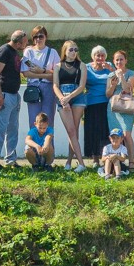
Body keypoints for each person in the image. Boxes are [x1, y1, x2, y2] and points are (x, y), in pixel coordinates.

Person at [0, 30, 27, 167]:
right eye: (25, 42)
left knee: (12, 129)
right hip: (4, 94)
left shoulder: (14, 52)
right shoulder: (4, 51)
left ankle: (10, 159)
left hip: (14, 95)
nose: (26, 44)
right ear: (18, 42)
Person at [54, 40, 87, 172]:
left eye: (76, 49)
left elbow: (82, 86)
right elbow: (55, 85)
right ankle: (79, 163)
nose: (74, 52)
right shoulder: (58, 66)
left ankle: (74, 162)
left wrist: (69, 97)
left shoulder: (81, 65)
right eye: (71, 50)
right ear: (65, 51)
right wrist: (63, 98)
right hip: (63, 96)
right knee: (71, 130)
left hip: (77, 96)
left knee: (74, 130)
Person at [21, 26, 58, 135]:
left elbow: (57, 74)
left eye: (41, 36)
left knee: (49, 119)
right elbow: (26, 73)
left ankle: (48, 149)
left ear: (45, 37)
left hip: (49, 88)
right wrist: (46, 74)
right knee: (33, 120)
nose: (38, 39)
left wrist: (41, 71)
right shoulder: (28, 52)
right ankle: (34, 148)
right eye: (35, 37)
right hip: (33, 88)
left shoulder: (52, 52)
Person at [107, 50, 134, 170]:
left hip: (127, 107)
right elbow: (108, 94)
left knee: (126, 134)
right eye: (117, 60)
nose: (119, 62)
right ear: (114, 62)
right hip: (113, 108)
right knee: (115, 135)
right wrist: (113, 86)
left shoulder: (131, 73)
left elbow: (128, 89)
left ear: (126, 60)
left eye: (121, 59)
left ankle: (131, 161)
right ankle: (116, 162)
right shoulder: (110, 75)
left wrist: (121, 76)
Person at [83, 46, 113, 166]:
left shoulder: (109, 66)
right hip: (91, 103)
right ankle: (95, 158)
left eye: (102, 55)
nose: (100, 58)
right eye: (97, 55)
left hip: (106, 102)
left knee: (105, 131)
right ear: (93, 56)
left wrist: (111, 69)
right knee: (92, 131)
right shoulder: (87, 67)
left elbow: (116, 78)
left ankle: (105, 158)